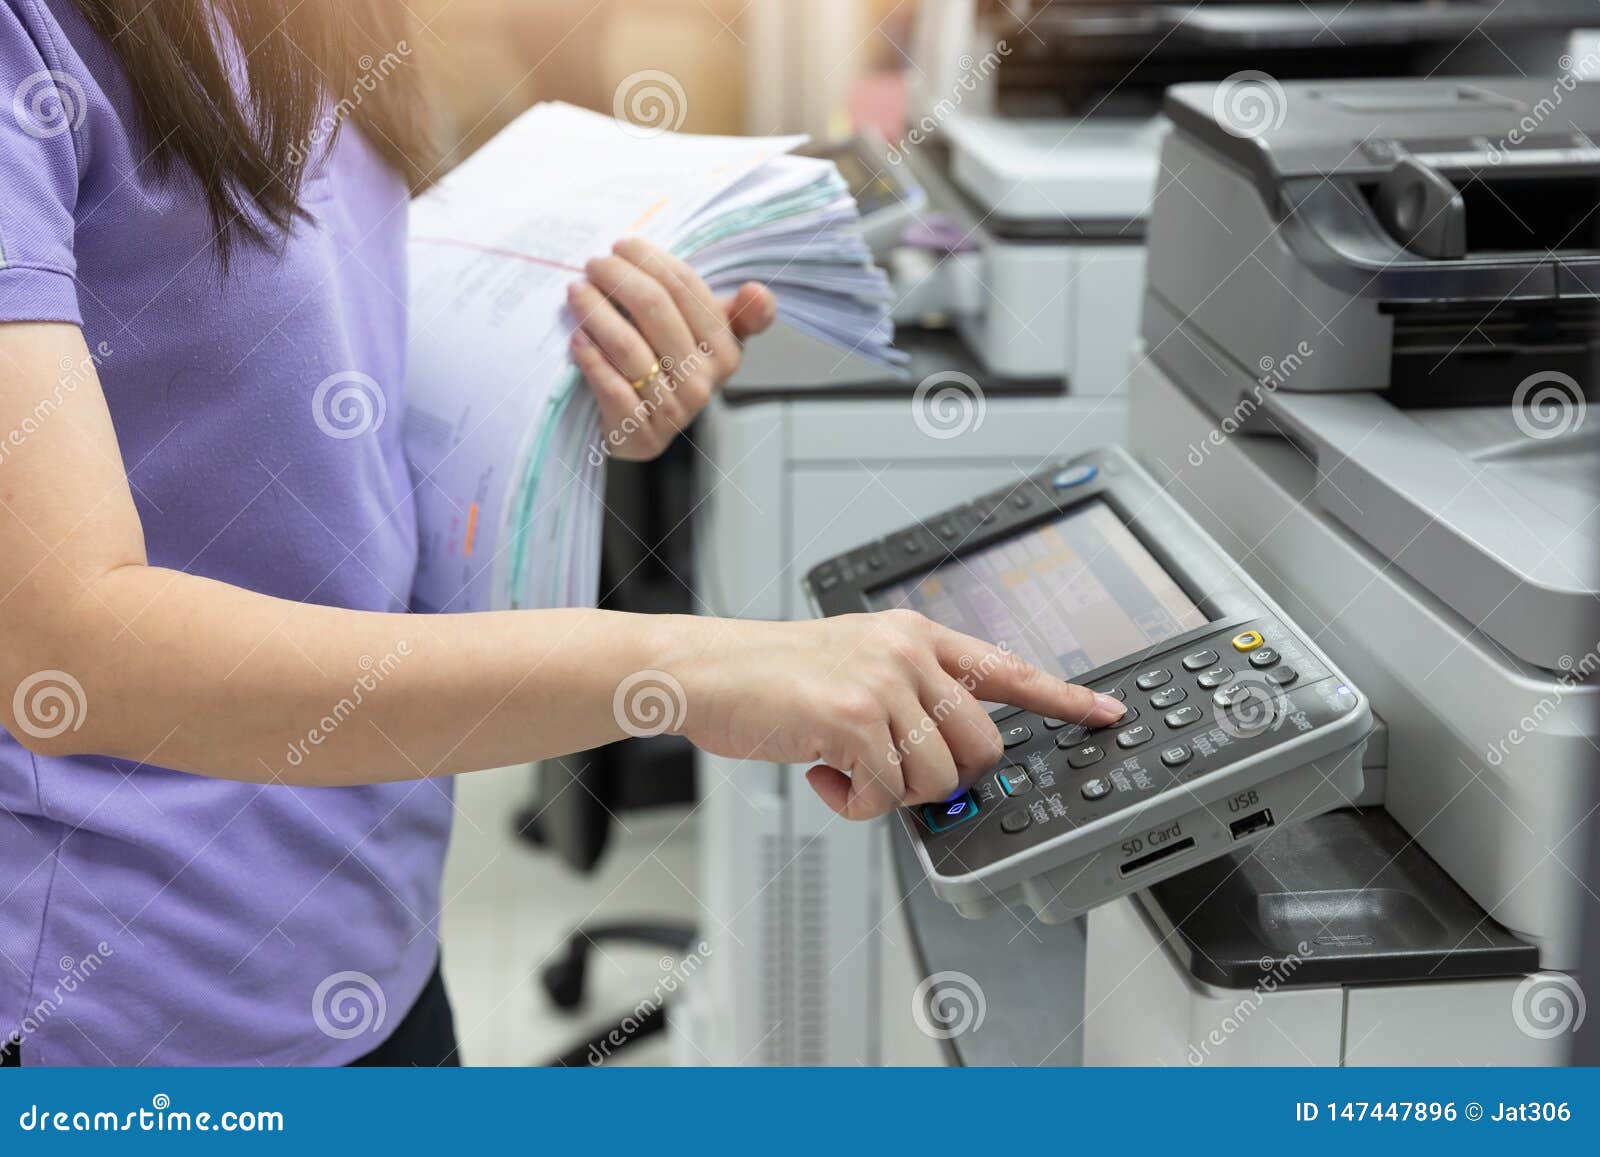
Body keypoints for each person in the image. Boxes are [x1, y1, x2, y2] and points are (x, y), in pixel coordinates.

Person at [0, 0, 1125, 1067]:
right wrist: (702, 660)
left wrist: (569, 382)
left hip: (361, 925)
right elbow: (66, 646)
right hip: (119, 1005)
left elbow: (306, 392)